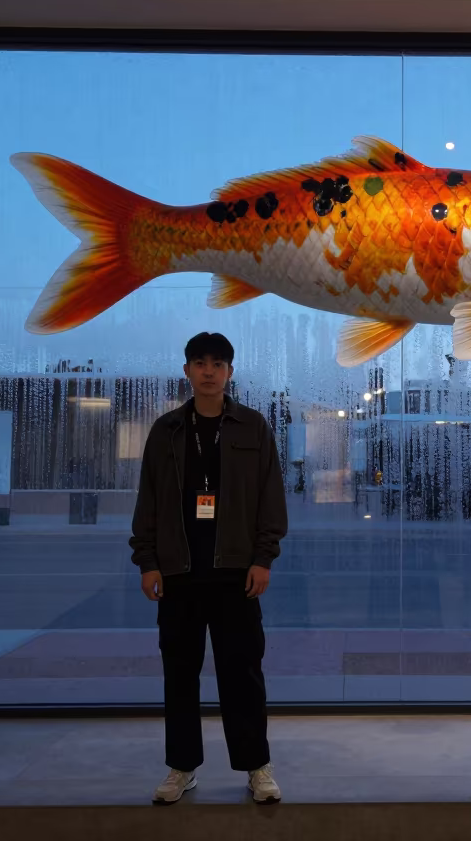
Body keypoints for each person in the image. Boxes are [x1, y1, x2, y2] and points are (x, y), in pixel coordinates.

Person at [130, 332, 288, 805]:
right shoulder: (166, 430)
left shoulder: (252, 427)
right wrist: (148, 562)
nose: (208, 371)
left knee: (242, 674)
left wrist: (263, 558)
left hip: (236, 573)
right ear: (187, 371)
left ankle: (257, 766)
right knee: (179, 674)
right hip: (178, 572)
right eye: (199, 363)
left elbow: (270, 499)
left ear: (230, 372)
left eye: (218, 364)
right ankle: (182, 767)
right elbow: (149, 500)